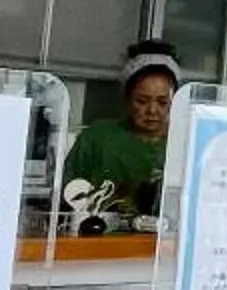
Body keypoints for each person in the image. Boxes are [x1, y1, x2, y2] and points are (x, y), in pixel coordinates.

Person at [65, 40, 179, 214]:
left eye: (163, 102)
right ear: (127, 98)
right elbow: (65, 192)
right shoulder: (97, 138)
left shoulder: (184, 145)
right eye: (142, 101)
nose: (152, 111)